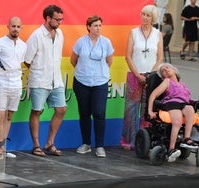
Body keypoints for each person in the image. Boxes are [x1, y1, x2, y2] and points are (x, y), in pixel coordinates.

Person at [24, 4, 66, 157]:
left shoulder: (60, 34)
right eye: (57, 19)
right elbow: (27, 60)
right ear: (48, 18)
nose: (60, 22)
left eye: (62, 19)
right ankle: (36, 145)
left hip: (57, 80)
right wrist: (40, 69)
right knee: (37, 111)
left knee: (61, 109)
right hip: (40, 80)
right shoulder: (36, 35)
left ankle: (50, 143)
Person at [70, 15, 114, 157]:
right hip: (82, 82)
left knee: (99, 113)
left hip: (100, 82)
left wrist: (98, 73)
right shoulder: (80, 42)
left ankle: (100, 146)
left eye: (100, 25)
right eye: (95, 25)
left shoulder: (106, 42)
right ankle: (86, 143)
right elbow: (73, 60)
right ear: (88, 27)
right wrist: (85, 71)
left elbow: (109, 61)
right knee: (84, 113)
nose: (98, 28)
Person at [121, 5, 163, 151]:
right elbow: (128, 56)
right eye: (143, 14)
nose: (145, 18)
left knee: (147, 109)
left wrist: (150, 75)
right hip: (134, 75)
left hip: (151, 77)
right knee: (130, 109)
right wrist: (138, 75)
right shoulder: (133, 32)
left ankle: (144, 141)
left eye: (148, 15)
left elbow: (160, 58)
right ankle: (128, 141)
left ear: (153, 18)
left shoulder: (158, 34)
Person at [0, 16, 27, 161]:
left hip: (16, 85)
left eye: (18, 26)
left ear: (21, 28)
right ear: (8, 26)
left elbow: (19, 64)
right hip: (0, 84)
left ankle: (4, 148)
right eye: (13, 26)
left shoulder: (24, 45)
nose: (15, 29)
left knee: (9, 116)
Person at [148, 63, 199, 162]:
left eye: (167, 67)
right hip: (172, 102)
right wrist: (150, 110)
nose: (165, 70)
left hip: (183, 103)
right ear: (163, 77)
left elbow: (187, 99)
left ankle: (186, 138)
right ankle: (171, 149)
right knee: (178, 121)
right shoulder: (167, 82)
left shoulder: (182, 85)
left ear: (174, 70)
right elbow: (153, 94)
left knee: (190, 110)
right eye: (163, 70)